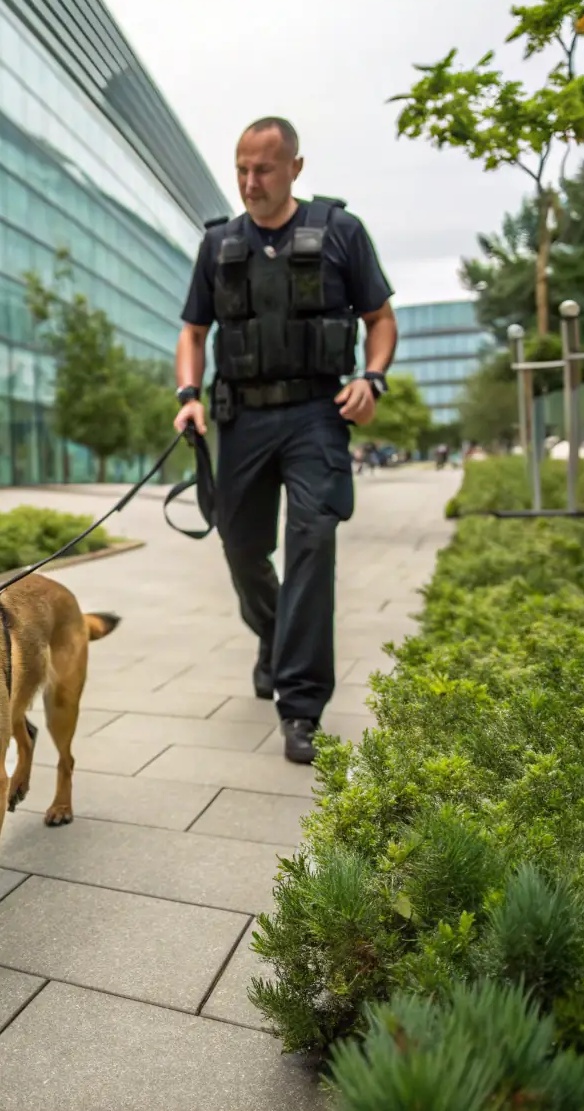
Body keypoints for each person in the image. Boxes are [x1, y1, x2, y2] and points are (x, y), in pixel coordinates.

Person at [173, 117, 397, 765]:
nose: (250, 181)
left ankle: (300, 704)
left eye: (264, 169)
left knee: (311, 543)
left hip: (315, 414)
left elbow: (380, 319)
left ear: (295, 167)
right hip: (241, 417)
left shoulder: (340, 232)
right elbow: (192, 332)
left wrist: (372, 380)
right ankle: (274, 635)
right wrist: (189, 398)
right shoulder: (218, 245)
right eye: (242, 168)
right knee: (241, 547)